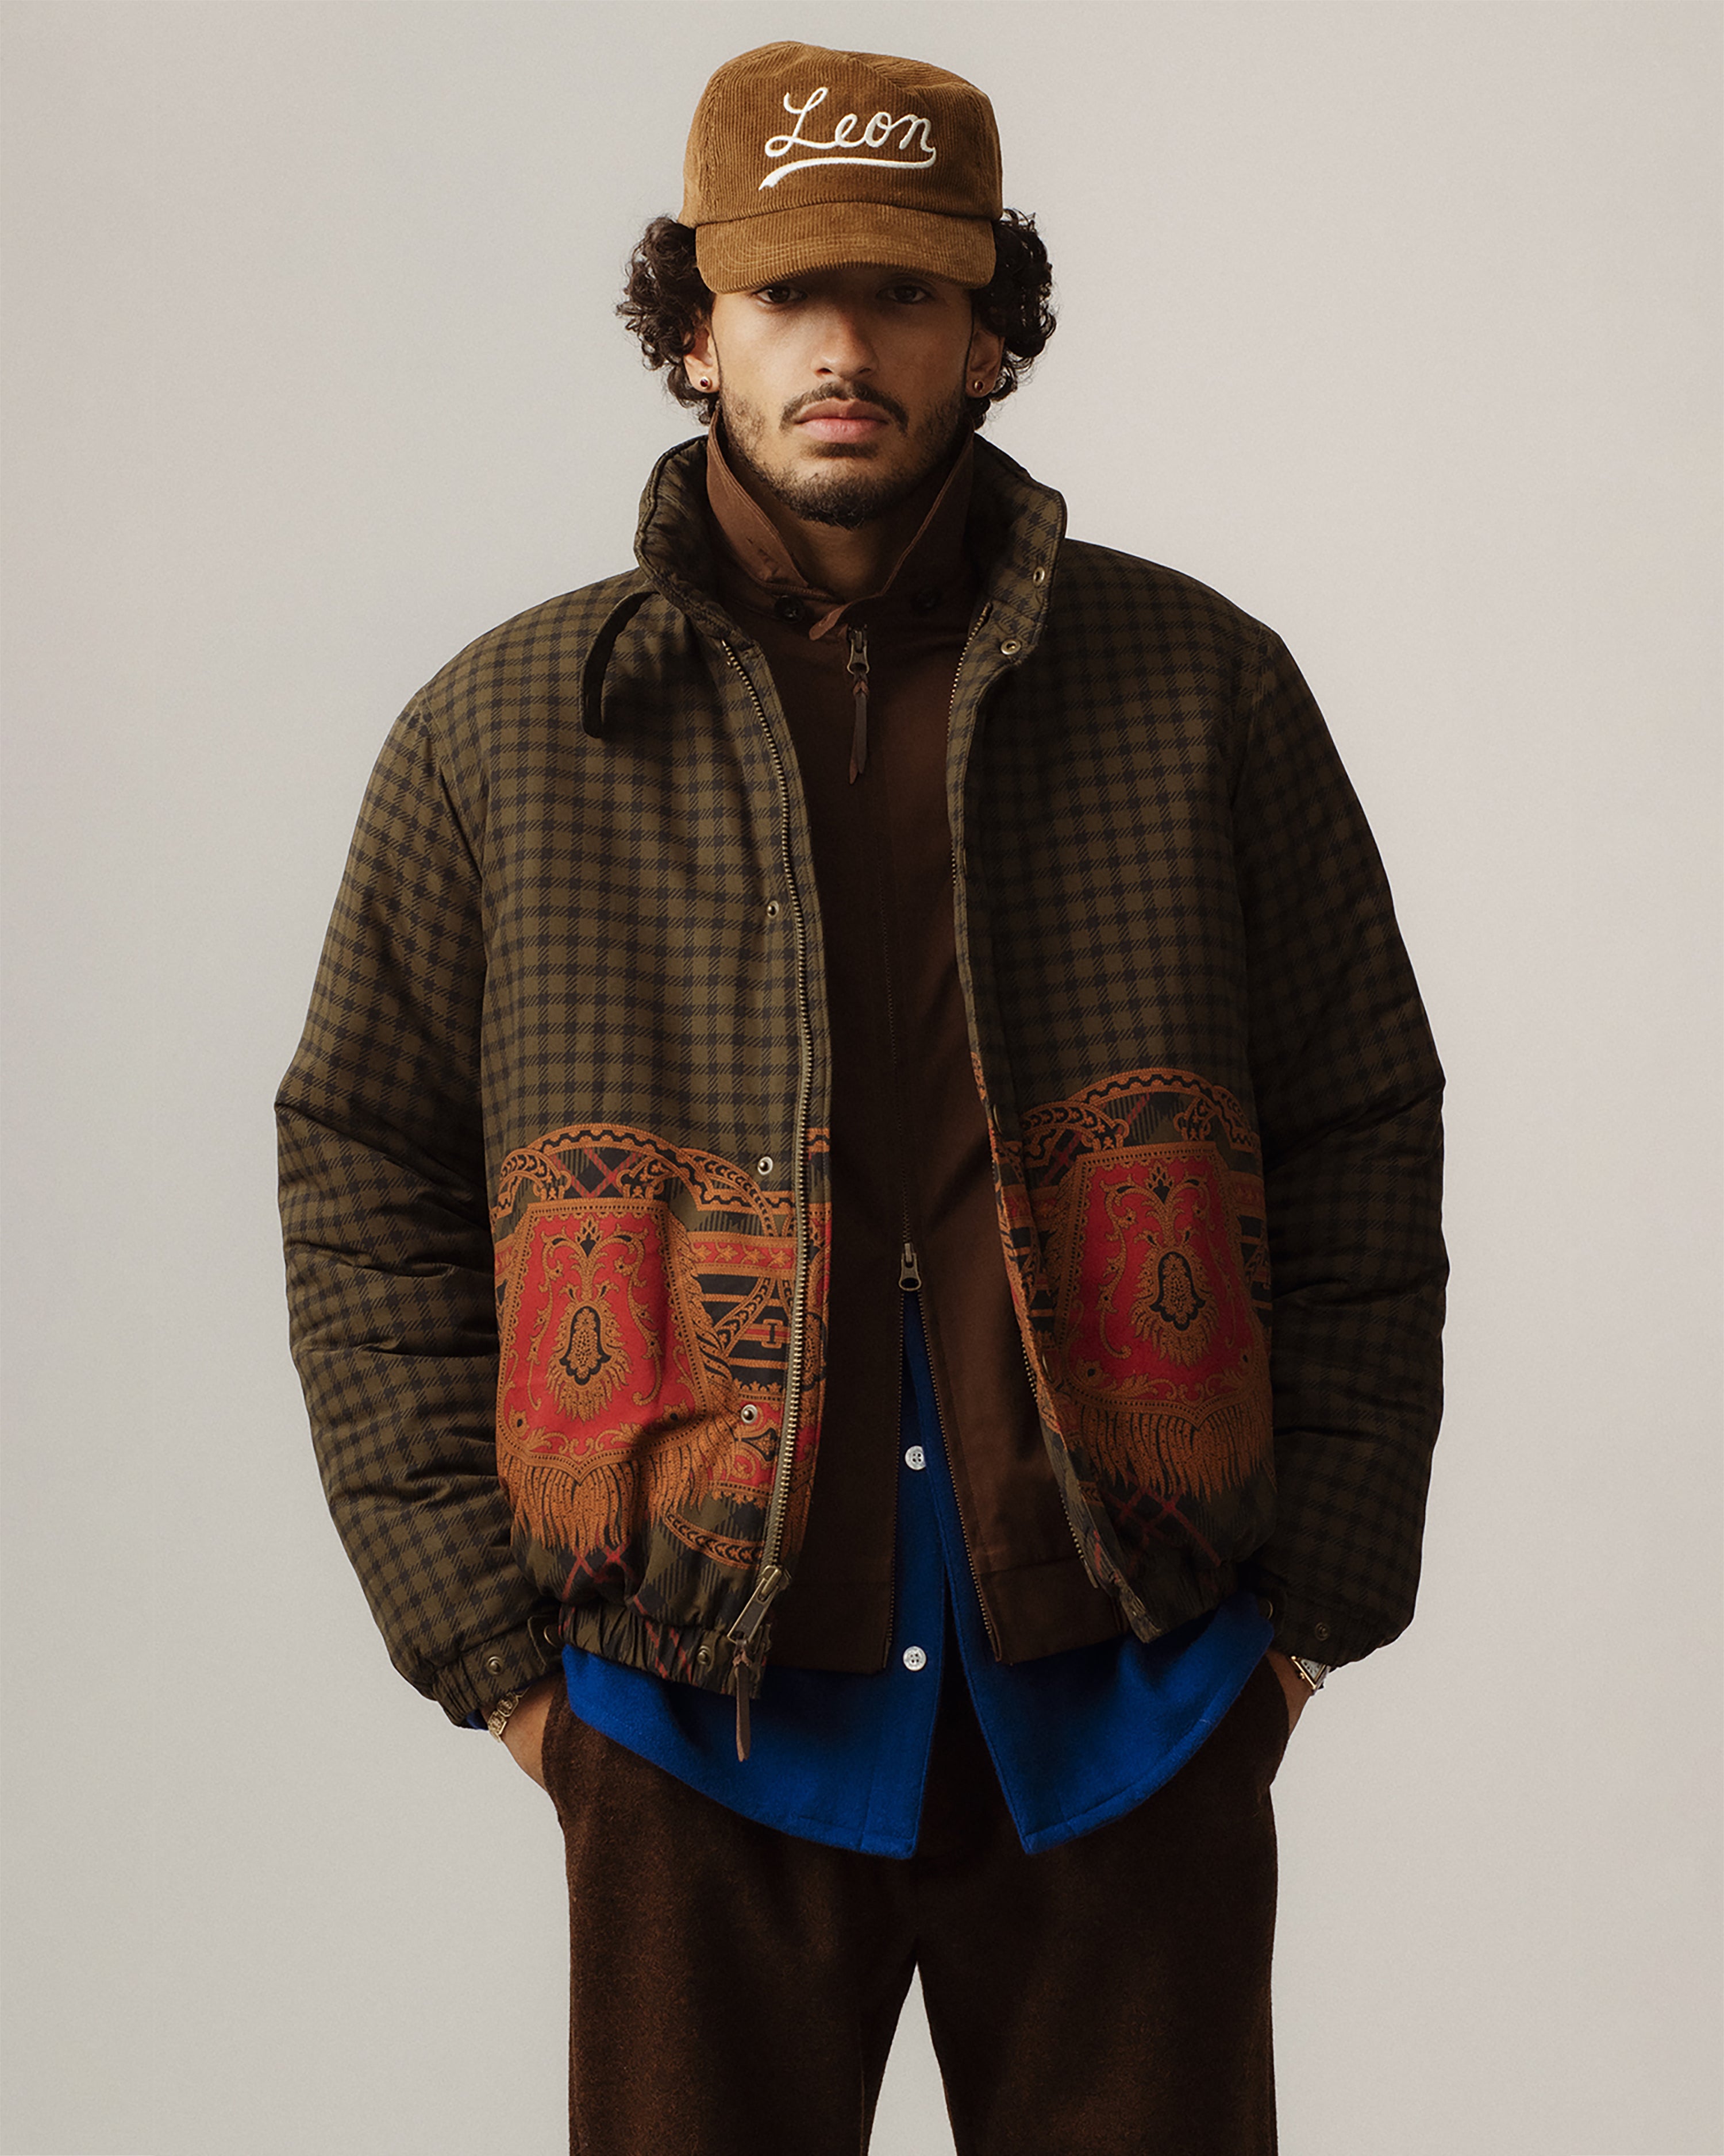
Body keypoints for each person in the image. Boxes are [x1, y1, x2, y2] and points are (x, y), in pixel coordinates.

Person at [276, 39, 1446, 2155]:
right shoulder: (502, 736)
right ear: (691, 326)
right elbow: (363, 1173)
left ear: (991, 330)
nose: (843, 348)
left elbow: (1364, 1118)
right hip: (687, 1716)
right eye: (786, 291)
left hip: (1131, 1692)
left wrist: (1303, 1630)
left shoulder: (1203, 691)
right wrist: (506, 1670)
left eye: (904, 291)